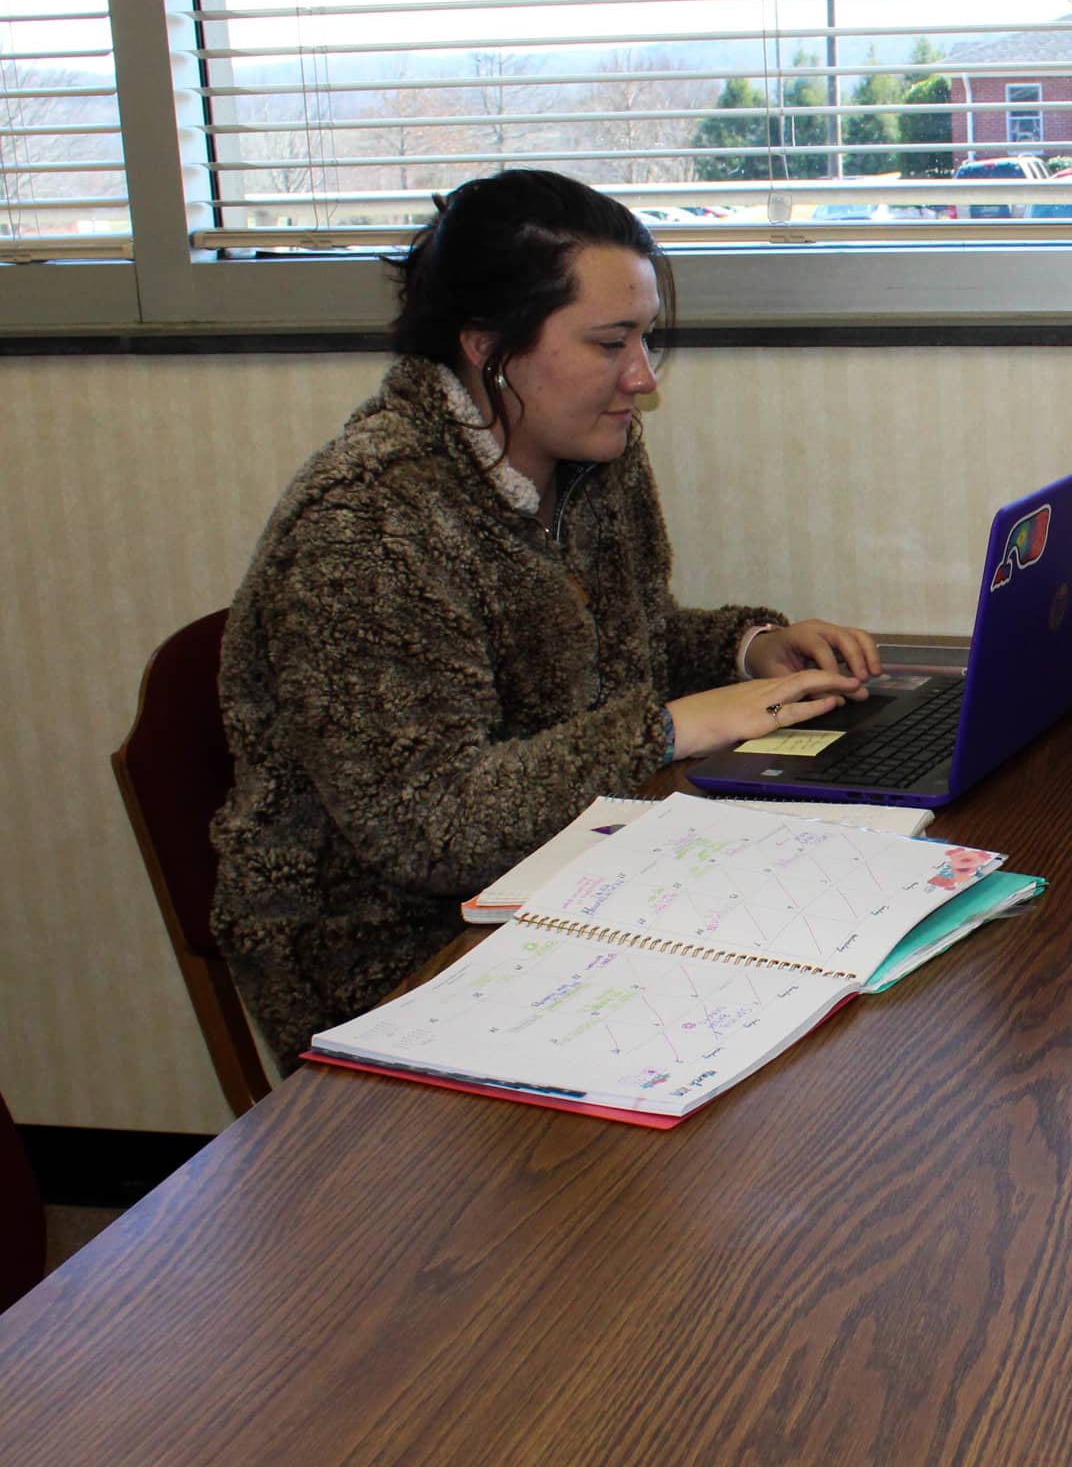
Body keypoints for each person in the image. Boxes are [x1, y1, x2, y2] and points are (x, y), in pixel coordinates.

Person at [213, 169, 877, 1071]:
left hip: (566, 872)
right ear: (487, 345)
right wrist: (667, 727)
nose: (640, 379)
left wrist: (751, 647)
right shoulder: (366, 522)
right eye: (610, 342)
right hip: (393, 956)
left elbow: (625, 640)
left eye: (644, 338)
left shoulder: (587, 450)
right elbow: (426, 822)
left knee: (825, 990)